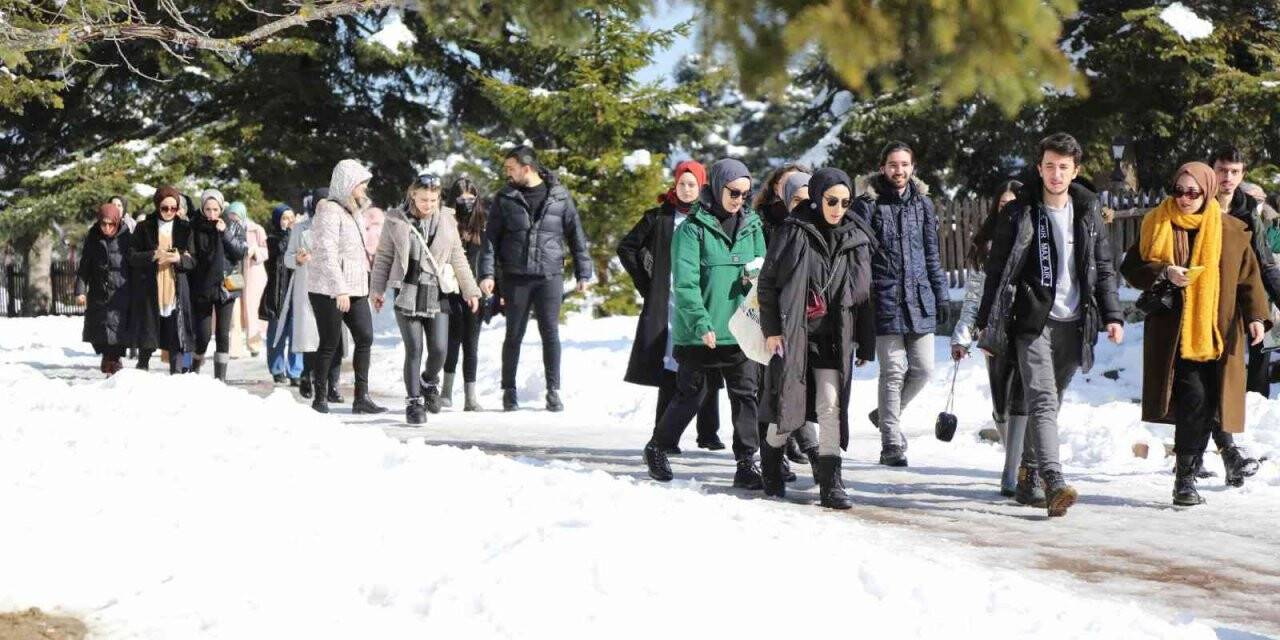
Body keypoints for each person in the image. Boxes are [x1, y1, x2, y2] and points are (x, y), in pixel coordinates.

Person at [976, 133, 1125, 518]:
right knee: (1041, 399)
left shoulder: (1088, 211)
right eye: (1049, 166)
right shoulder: (1021, 211)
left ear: (1075, 170)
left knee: (1051, 400)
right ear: (1039, 167)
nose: (1056, 174)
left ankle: (1027, 476)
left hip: (1074, 321)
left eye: (1064, 167)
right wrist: (985, 320)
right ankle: (1053, 480)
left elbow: (1102, 266)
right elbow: (998, 269)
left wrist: (1112, 314)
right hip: (1032, 319)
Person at [1120, 162, 1269, 505]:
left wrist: (1257, 317)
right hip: (1174, 332)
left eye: (1193, 192)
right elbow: (1131, 266)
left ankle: (1197, 469)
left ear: (1207, 192)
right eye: (1179, 191)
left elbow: (1249, 278)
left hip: (1217, 332)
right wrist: (1163, 272)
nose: (1184, 199)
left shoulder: (1230, 230)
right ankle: (1184, 482)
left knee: (1208, 406)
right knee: (1194, 400)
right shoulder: (1157, 222)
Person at [642, 158, 766, 489]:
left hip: (739, 331)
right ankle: (657, 447)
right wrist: (700, 322)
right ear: (717, 187)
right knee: (691, 395)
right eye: (733, 192)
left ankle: (746, 463)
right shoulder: (691, 230)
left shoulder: (752, 226)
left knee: (745, 396)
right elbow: (684, 283)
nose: (739, 199)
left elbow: (761, 274)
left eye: (745, 193)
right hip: (701, 331)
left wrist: (752, 280)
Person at [757, 168, 877, 508]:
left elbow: (866, 294)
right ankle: (770, 463)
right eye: (831, 201)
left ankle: (831, 482)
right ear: (818, 197)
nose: (837, 208)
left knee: (830, 406)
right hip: (795, 335)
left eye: (844, 202)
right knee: (789, 408)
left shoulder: (856, 237)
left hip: (833, 339)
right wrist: (772, 330)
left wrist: (865, 342)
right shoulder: (794, 232)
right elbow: (767, 283)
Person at [618, 160, 726, 454]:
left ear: (702, 187)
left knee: (709, 363)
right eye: (682, 184)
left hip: (704, 302)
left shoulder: (712, 217)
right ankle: (663, 435)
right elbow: (627, 248)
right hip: (670, 304)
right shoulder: (660, 217)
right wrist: (648, 284)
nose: (687, 189)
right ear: (675, 185)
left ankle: (708, 432)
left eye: (692, 184)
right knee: (672, 366)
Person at [854, 141, 950, 467]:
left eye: (905, 164)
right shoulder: (868, 204)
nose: (899, 170)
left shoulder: (922, 204)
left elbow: (931, 254)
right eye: (893, 164)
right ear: (883, 167)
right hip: (884, 299)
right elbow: (859, 258)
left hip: (919, 298)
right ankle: (891, 443)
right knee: (893, 371)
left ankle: (884, 415)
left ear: (913, 167)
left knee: (923, 370)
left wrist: (941, 295)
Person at [478, 146, 593, 412]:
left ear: (526, 168)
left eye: (511, 168)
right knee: (513, 335)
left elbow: (576, 235)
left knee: (550, 333)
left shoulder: (560, 196)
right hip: (516, 277)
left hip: (549, 276)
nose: (507, 173)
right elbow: (490, 240)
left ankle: (553, 391)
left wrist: (583, 272)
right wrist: (486, 273)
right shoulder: (505, 197)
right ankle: (509, 391)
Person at [951, 180, 1043, 504]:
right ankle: (1014, 461)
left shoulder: (1033, 239)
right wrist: (962, 335)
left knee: (1022, 399)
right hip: (994, 333)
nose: (1008, 211)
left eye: (1013, 205)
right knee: (1001, 405)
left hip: (1028, 327)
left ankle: (1013, 472)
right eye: (1002, 206)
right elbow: (973, 298)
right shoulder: (985, 246)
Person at [371, 174, 483, 424]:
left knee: (440, 349)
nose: (429, 204)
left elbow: (458, 257)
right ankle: (413, 403)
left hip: (438, 290)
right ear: (413, 194)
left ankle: (429, 382)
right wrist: (376, 290)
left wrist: (470, 290)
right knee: (414, 348)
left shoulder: (446, 219)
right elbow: (384, 258)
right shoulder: (395, 219)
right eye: (424, 199)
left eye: (433, 200)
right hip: (406, 290)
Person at [308, 159, 386, 415]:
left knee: (365, 336)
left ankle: (361, 397)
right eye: (361, 183)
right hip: (328, 287)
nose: (364, 187)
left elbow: (361, 254)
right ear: (347, 183)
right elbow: (326, 252)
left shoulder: (355, 211)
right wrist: (339, 288)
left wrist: (371, 289)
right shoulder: (329, 210)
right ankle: (320, 398)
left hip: (356, 286)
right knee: (330, 342)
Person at [128, 186, 196, 375]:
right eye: (164, 208)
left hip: (176, 286)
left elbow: (194, 261)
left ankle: (177, 373)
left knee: (176, 331)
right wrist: (152, 255)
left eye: (173, 208)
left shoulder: (185, 228)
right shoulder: (144, 228)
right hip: (151, 286)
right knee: (149, 330)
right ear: (157, 206)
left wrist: (179, 259)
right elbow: (132, 256)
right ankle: (142, 368)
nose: (169, 212)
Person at [286, 193, 343, 402]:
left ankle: (333, 385)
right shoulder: (301, 228)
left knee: (335, 336)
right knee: (312, 336)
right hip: (309, 285)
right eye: (320, 204)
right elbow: (287, 258)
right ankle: (306, 376)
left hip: (335, 286)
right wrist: (297, 259)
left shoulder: (341, 226)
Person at [190, 189, 248, 381]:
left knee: (222, 334)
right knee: (203, 336)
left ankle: (220, 379)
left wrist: (224, 234)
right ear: (202, 208)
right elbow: (193, 255)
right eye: (208, 209)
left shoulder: (233, 226)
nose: (212, 214)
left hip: (226, 286)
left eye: (216, 209)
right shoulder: (195, 226)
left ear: (222, 208)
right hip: (203, 286)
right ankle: (194, 368)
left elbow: (240, 252)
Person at [441, 176, 488, 411]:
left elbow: (488, 255)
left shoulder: (482, 222)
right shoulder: (446, 222)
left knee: (471, 343)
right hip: (450, 289)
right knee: (452, 340)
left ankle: (470, 397)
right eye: (461, 197)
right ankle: (446, 391)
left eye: (471, 197)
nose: (466, 202)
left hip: (476, 291)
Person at [76, 202, 133, 375]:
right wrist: (80, 291)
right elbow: (84, 267)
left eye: (111, 224)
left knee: (117, 333)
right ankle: (109, 361)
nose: (107, 228)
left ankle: (113, 363)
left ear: (117, 222)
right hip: (99, 294)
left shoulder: (127, 238)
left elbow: (134, 265)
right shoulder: (93, 238)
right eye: (104, 224)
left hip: (121, 294)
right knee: (100, 333)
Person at [261, 204, 304, 385]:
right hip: (278, 293)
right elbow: (281, 251)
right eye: (284, 218)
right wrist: (291, 233)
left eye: (291, 218)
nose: (289, 222)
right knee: (277, 334)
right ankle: (277, 369)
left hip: (297, 292)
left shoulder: (301, 238)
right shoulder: (272, 240)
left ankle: (295, 372)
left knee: (297, 334)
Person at [233, 201, 271, 357]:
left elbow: (266, 251)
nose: (233, 219)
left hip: (254, 272)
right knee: (234, 309)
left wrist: (255, 251)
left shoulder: (256, 229)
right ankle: (234, 348)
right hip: (235, 271)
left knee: (252, 308)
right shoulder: (228, 229)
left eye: (235, 216)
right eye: (231, 216)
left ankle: (254, 344)